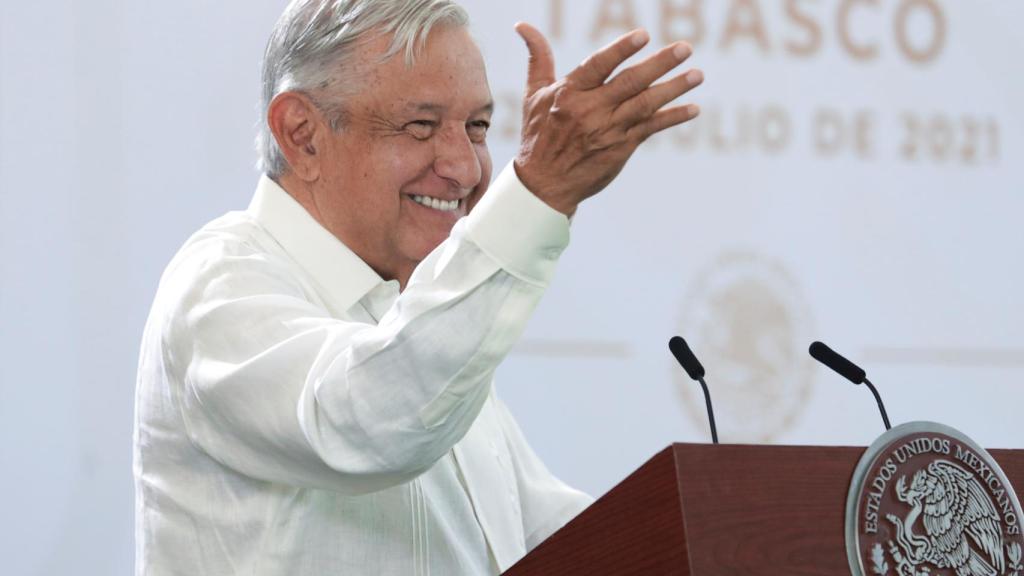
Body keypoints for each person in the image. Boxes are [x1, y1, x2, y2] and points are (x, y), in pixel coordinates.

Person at [133, 0, 703, 574]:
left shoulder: (417, 323)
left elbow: (546, 538)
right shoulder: (220, 281)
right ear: (302, 135)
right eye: (421, 126)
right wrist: (536, 194)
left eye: (477, 127)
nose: (466, 169)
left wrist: (735, 529)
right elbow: (364, 424)